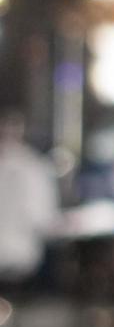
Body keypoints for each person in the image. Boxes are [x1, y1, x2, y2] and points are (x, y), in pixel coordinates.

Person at [0, 111, 58, 284]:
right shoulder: (34, 166)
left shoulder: (32, 167)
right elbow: (43, 220)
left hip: (19, 258)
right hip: (20, 257)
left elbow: (41, 218)